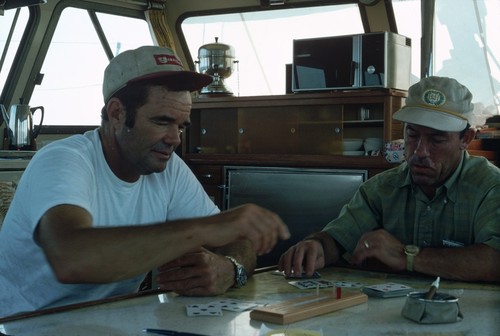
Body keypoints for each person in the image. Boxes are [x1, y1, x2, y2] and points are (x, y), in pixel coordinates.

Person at [0, 46, 290, 318]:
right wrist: (208, 228)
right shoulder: (64, 160)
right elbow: (71, 258)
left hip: (112, 320)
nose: (175, 139)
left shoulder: (168, 168)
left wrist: (229, 268)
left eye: (181, 126)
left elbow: (239, 242)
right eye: (162, 122)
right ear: (116, 114)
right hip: (23, 325)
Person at [279, 76, 500, 282]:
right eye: (412, 135)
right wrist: (316, 246)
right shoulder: (380, 189)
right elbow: (338, 238)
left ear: (466, 139)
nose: (420, 151)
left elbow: (495, 261)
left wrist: (407, 256)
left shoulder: (490, 188)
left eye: (437, 139)